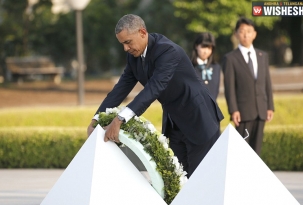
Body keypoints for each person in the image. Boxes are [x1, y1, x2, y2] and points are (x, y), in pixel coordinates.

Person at [87, 14, 224, 178]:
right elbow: (120, 90)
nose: (125, 48)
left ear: (142, 32)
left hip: (199, 119)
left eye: (128, 42)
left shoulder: (167, 50)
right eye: (122, 44)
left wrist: (120, 119)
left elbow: (154, 87)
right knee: (179, 180)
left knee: (200, 180)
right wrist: (96, 119)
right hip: (174, 123)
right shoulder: (133, 58)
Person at [222, 17, 274, 155]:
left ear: (254, 34)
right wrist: (233, 110)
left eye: (249, 31)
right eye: (242, 31)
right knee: (242, 149)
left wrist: (270, 106)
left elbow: (267, 82)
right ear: (236, 34)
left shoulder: (262, 56)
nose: (246, 35)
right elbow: (229, 87)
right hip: (243, 112)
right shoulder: (230, 58)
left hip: (261, 109)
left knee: (256, 150)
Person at [191, 32, 221, 100]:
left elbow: (215, 91)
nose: (206, 51)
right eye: (203, 47)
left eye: (209, 48)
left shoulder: (216, 67)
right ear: (196, 46)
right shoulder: (189, 67)